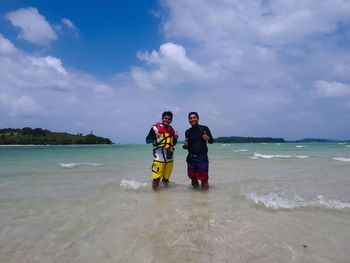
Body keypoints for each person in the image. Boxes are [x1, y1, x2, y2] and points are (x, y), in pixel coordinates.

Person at [146, 111, 178, 191]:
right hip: (159, 158)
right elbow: (147, 141)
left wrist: (176, 138)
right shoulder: (155, 128)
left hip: (169, 158)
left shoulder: (172, 130)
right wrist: (154, 136)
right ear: (162, 118)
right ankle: (155, 195)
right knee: (156, 179)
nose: (167, 120)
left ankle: (165, 196)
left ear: (171, 120)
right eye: (165, 118)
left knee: (166, 178)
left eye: (169, 119)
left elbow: (173, 144)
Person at [183, 112, 214, 190]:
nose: (192, 119)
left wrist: (207, 138)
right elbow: (188, 147)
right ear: (188, 120)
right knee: (193, 179)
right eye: (190, 118)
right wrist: (185, 145)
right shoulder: (187, 132)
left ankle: (205, 199)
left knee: (204, 179)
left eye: (194, 117)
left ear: (198, 118)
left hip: (202, 158)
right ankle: (195, 199)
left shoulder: (204, 128)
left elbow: (211, 141)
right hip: (191, 158)